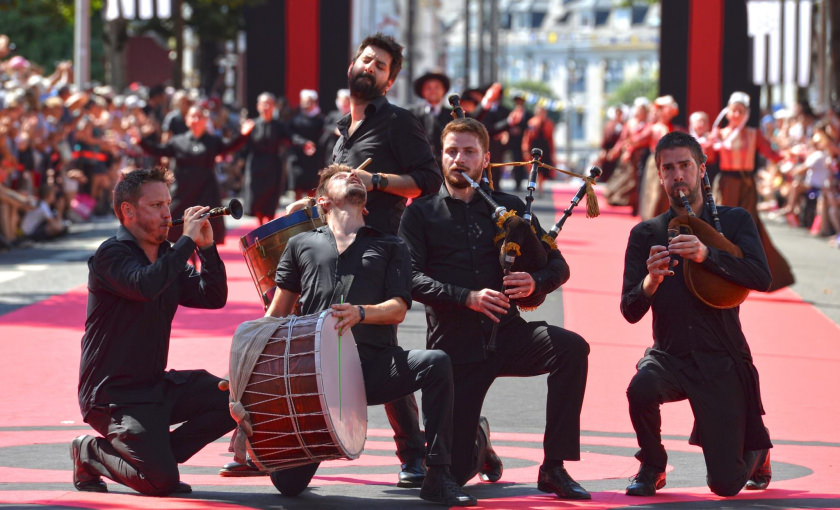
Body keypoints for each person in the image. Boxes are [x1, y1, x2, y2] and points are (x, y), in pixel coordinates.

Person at [268, 32, 440, 488]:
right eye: (366, 60)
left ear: (389, 81)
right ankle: (300, 438)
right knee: (321, 342)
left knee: (379, 348)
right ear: (351, 66)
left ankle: (415, 456)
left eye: (381, 65)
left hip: (380, 249)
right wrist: (306, 208)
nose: (371, 67)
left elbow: (428, 180)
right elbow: (333, 185)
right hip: (333, 247)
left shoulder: (401, 123)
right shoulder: (340, 129)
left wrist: (377, 179)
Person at [262, 163, 476, 506]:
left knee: (435, 363)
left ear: (365, 206)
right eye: (338, 176)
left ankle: (438, 474)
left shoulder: (391, 245)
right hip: (317, 381)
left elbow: (398, 308)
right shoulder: (300, 244)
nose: (351, 175)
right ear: (322, 203)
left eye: (353, 174)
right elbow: (277, 313)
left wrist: (361, 313)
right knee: (287, 485)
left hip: (375, 368)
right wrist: (249, 364)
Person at [399, 117, 591, 499]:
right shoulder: (420, 213)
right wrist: (465, 297)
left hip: (510, 334)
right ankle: (479, 441)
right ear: (441, 156)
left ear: (486, 159)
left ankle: (554, 466)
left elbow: (558, 266)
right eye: (451, 151)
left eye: (469, 152)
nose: (459, 159)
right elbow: (409, 279)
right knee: (453, 471)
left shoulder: (510, 208)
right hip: (453, 349)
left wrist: (536, 282)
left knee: (573, 349)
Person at [620, 131, 773, 497]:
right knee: (640, 388)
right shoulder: (645, 233)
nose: (677, 176)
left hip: (722, 358)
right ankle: (652, 465)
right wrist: (651, 282)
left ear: (701, 169)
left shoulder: (735, 221)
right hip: (670, 355)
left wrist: (707, 255)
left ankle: (758, 453)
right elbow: (629, 310)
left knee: (725, 485)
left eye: (685, 165)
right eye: (668, 168)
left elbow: (761, 278)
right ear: (659, 175)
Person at [71, 167, 235, 496]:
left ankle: (151, 459)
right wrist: (185, 241)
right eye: (156, 206)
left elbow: (212, 297)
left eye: (167, 204)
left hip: (153, 385)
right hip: (112, 396)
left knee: (233, 400)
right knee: (161, 483)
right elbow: (145, 285)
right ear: (128, 212)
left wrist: (206, 249)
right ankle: (89, 451)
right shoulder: (111, 255)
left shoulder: (166, 256)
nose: (167, 214)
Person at [709, 91, 794, 291]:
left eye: (741, 111)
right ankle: (721, 269)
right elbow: (709, 157)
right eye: (734, 110)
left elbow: (771, 153)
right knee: (723, 225)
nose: (736, 114)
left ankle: (762, 271)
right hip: (727, 184)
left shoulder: (754, 134)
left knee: (750, 226)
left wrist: (787, 156)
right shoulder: (720, 134)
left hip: (746, 185)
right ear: (728, 113)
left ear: (746, 113)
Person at [137, 105, 254, 246]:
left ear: (205, 121)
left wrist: (243, 135)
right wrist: (140, 141)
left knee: (208, 221)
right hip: (183, 187)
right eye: (193, 117)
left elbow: (229, 146)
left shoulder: (212, 141)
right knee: (175, 220)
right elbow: (159, 150)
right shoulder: (178, 141)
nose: (196, 120)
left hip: (206, 188)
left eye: (200, 117)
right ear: (187, 120)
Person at [241, 92, 295, 225]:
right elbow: (241, 144)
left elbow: (291, 138)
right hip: (255, 164)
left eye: (269, 104)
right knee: (257, 195)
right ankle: (260, 224)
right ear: (258, 106)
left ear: (274, 106)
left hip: (273, 164)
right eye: (263, 104)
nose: (266, 107)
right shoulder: (252, 124)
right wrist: (242, 134)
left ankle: (270, 223)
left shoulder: (278, 125)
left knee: (272, 194)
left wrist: (304, 143)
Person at [409, 70, 452, 168]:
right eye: (428, 87)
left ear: (443, 90)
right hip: (419, 165)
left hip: (447, 166)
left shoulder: (452, 115)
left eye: (437, 87)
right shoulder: (411, 114)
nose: (433, 90)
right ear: (422, 91)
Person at [287, 89, 324, 198]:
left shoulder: (320, 120)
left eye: (308, 102)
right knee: (298, 188)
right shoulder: (295, 119)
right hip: (298, 158)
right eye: (304, 101)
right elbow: (291, 135)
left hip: (314, 160)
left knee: (312, 188)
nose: (305, 104)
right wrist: (303, 143)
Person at [521, 105, 556, 197]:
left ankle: (541, 187)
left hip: (545, 147)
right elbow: (527, 137)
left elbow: (551, 138)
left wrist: (553, 151)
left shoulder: (549, 123)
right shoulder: (532, 122)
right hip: (534, 146)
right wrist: (525, 148)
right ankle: (532, 186)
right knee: (533, 167)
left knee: (543, 169)